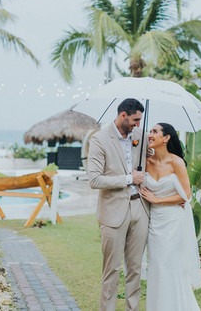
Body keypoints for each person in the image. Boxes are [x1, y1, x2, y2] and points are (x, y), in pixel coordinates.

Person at [88, 98, 149, 311]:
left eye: (140, 120)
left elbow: (159, 159)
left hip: (140, 209)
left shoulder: (141, 136)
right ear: (123, 115)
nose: (138, 125)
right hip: (113, 211)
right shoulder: (99, 139)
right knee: (112, 270)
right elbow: (94, 180)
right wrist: (128, 178)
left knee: (135, 269)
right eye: (135, 120)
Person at [139, 122, 201, 311]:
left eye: (155, 132)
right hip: (154, 223)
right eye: (150, 131)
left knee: (171, 265)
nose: (150, 134)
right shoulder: (145, 161)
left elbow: (186, 195)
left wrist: (157, 200)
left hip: (173, 221)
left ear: (166, 138)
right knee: (157, 266)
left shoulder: (176, 162)